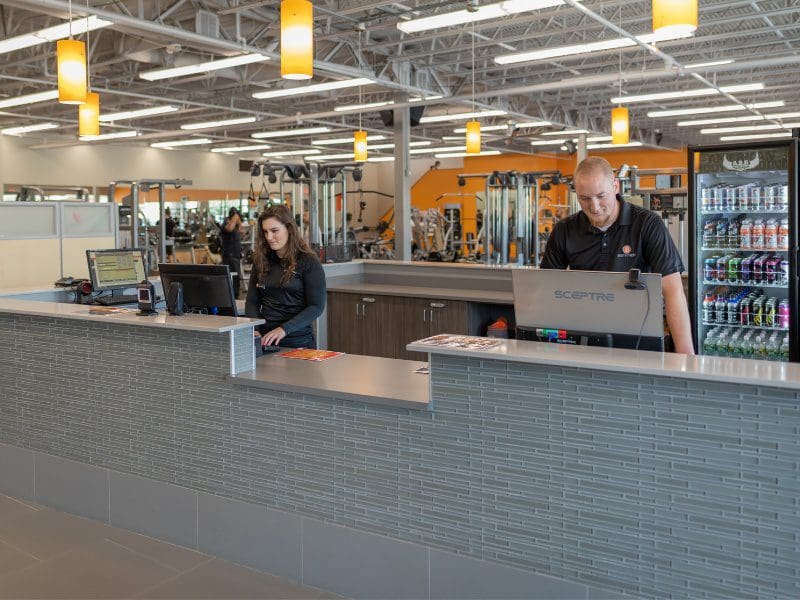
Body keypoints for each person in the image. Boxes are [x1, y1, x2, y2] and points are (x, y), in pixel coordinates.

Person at [540, 156, 694, 355]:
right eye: (584, 198)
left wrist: (686, 355)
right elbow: (546, 289)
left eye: (601, 196)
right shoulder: (564, 230)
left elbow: (672, 291)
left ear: (616, 186)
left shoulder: (647, 225)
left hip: (638, 339)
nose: (594, 207)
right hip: (583, 339)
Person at [245, 204, 326, 349]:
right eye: (265, 232)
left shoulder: (308, 262)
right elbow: (252, 301)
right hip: (265, 340)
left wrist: (283, 329)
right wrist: (254, 328)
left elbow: (316, 307)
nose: (269, 237)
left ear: (289, 228)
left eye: (274, 231)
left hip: (298, 342)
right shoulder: (261, 261)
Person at [220, 207, 244, 298]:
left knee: (236, 277)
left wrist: (238, 221)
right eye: (235, 216)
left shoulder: (235, 224)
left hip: (236, 254)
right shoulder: (227, 221)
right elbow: (229, 229)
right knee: (232, 277)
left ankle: (235, 296)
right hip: (229, 254)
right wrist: (234, 218)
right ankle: (232, 297)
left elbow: (241, 230)